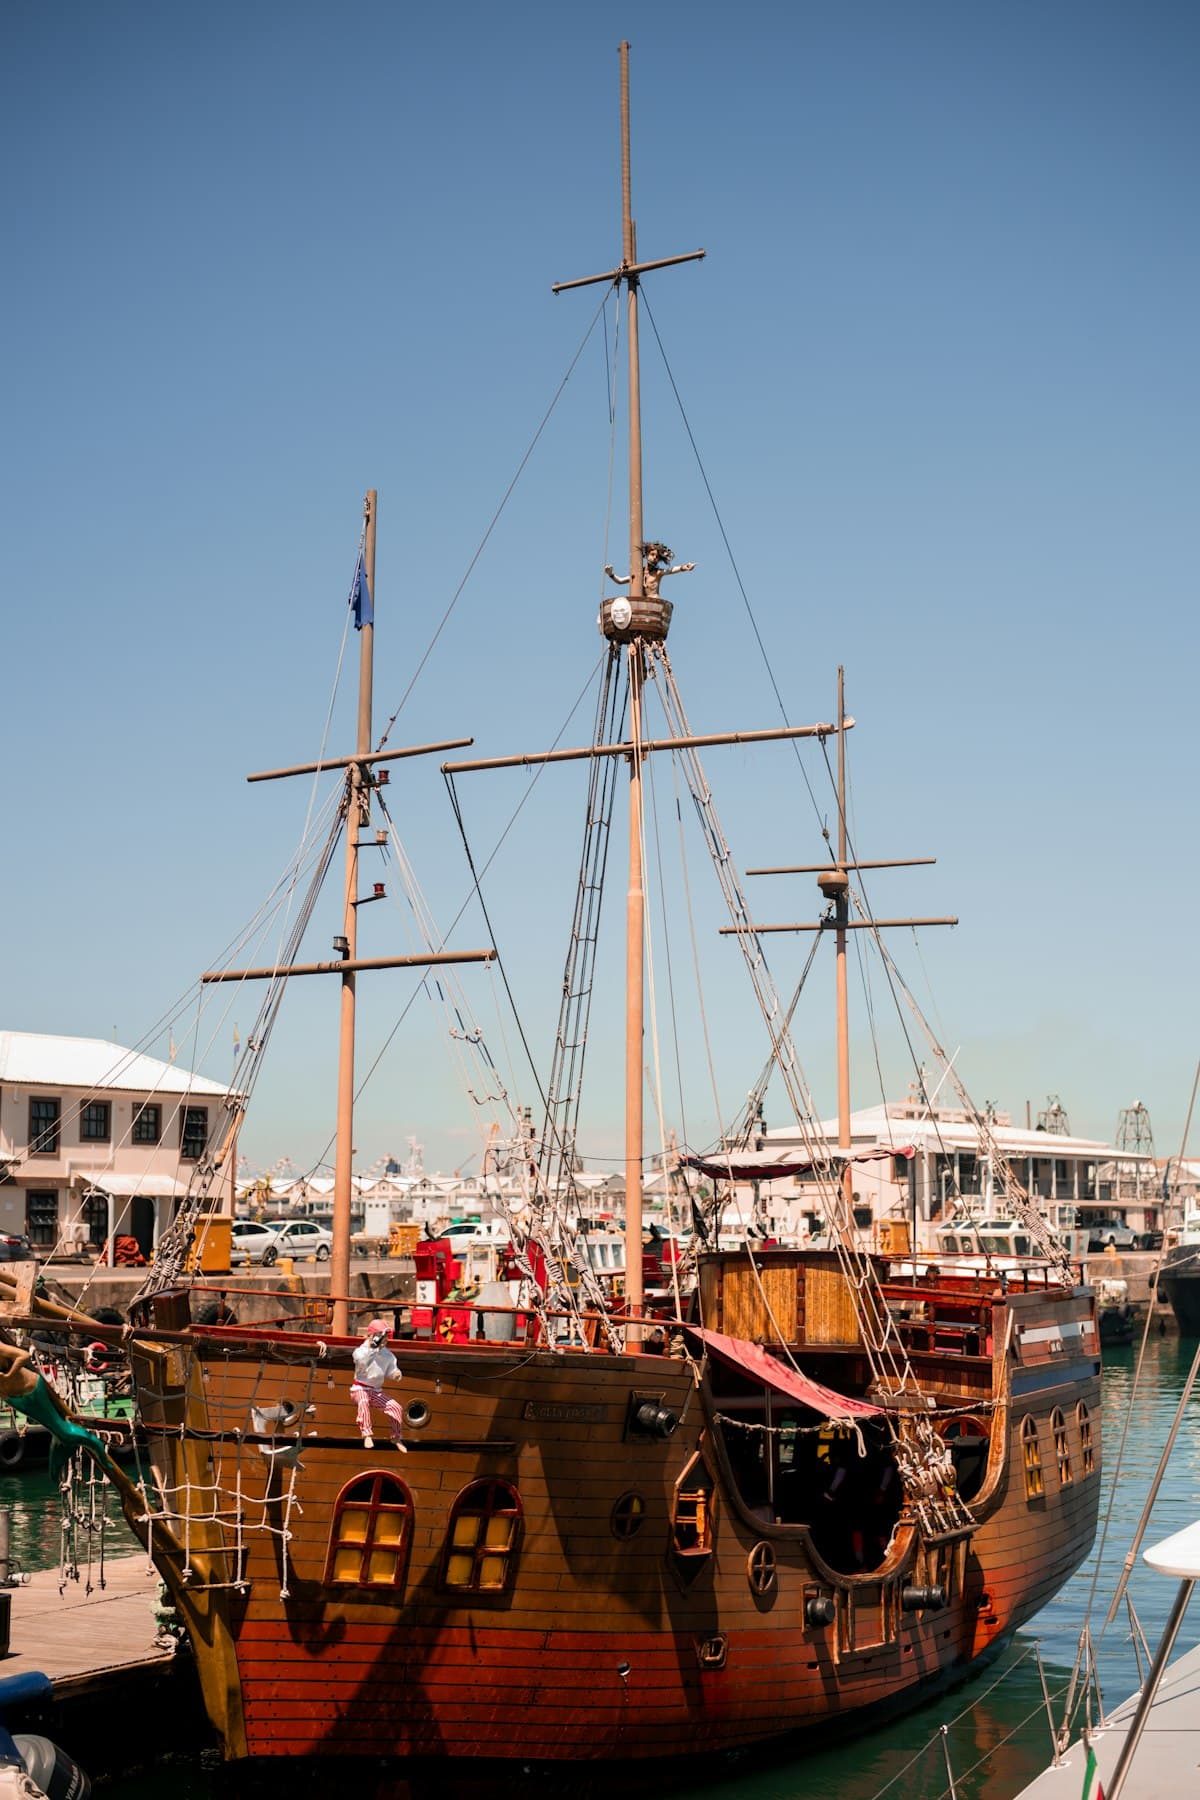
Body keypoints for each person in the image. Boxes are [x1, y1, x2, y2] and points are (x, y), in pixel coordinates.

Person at [0, 1329, 109, 1469]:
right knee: (56, 1429)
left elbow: (24, 1356)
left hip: (30, 1390)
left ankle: (96, 1447)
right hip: (14, 1397)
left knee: (62, 1430)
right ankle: (63, 1443)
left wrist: (9, 1375)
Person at [350, 1320, 407, 1452]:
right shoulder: (361, 1351)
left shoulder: (387, 1354)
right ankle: (367, 1434)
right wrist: (372, 1349)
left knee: (396, 1407)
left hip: (375, 1391)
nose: (385, 1340)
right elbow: (361, 1363)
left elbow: (391, 1369)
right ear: (372, 1336)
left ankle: (396, 1437)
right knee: (363, 1401)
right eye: (383, 1337)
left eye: (386, 1337)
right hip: (360, 1388)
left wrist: (396, 1374)